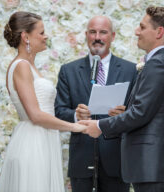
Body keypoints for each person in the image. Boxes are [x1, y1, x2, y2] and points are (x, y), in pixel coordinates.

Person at [81, 6, 164, 192]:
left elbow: (139, 113)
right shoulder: (158, 63)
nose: (137, 31)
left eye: (142, 27)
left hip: (152, 164)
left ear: (159, 32)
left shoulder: (158, 64)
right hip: (149, 166)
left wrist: (100, 126)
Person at [0, 11, 86, 192]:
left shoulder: (29, 66)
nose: (46, 36)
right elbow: (36, 115)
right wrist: (75, 127)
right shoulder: (21, 66)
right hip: (32, 143)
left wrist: (76, 115)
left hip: (44, 139)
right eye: (42, 32)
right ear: (25, 36)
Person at [54, 16, 137, 192]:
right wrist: (76, 116)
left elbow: (139, 112)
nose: (97, 37)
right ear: (86, 35)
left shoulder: (131, 70)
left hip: (117, 161)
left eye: (103, 32)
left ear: (112, 36)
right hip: (81, 159)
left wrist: (124, 114)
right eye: (93, 32)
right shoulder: (68, 71)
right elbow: (59, 112)